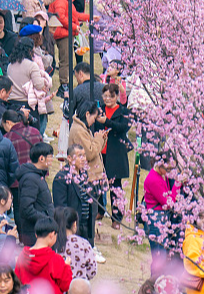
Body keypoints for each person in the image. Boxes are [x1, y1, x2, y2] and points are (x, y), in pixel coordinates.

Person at [53, 144, 98, 255]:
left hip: (86, 223)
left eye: (84, 156)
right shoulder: (62, 178)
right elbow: (60, 207)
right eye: (79, 156)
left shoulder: (84, 174)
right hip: (72, 225)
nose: (83, 159)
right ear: (69, 158)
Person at [99, 83, 131, 228]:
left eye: (111, 96)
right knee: (98, 182)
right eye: (105, 96)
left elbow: (122, 128)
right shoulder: (99, 109)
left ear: (117, 97)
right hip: (100, 151)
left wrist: (106, 122)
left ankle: (117, 217)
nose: (108, 99)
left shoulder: (123, 111)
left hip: (115, 152)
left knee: (115, 186)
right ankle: (99, 210)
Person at [143, 151, 180, 276]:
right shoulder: (153, 179)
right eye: (168, 168)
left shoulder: (160, 175)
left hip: (160, 216)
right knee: (160, 257)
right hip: (156, 218)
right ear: (160, 165)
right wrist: (177, 185)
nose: (170, 172)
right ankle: (154, 283)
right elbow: (168, 203)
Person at [15, 218, 73, 294]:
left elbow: (16, 281)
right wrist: (66, 266)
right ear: (52, 235)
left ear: (36, 234)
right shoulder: (55, 259)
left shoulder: (22, 256)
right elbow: (65, 286)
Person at [49, 0, 90, 99]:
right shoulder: (61, 1)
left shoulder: (67, 1)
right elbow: (60, 17)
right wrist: (74, 26)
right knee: (65, 61)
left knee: (66, 60)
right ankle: (64, 85)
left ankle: (65, 85)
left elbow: (76, 16)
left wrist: (90, 17)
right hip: (63, 34)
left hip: (66, 33)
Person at [6, 36, 50, 129]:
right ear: (30, 50)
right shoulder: (32, 65)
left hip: (12, 102)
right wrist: (44, 78)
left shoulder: (10, 65)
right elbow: (39, 85)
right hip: (28, 103)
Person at [16, 142, 55, 246]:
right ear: (41, 158)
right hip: (34, 232)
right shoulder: (31, 179)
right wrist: (46, 219)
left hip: (40, 230)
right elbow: (26, 209)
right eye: (50, 157)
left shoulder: (37, 176)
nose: (52, 160)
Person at [53, 207, 97, 281]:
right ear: (74, 224)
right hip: (79, 286)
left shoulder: (53, 243)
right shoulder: (83, 243)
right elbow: (92, 270)